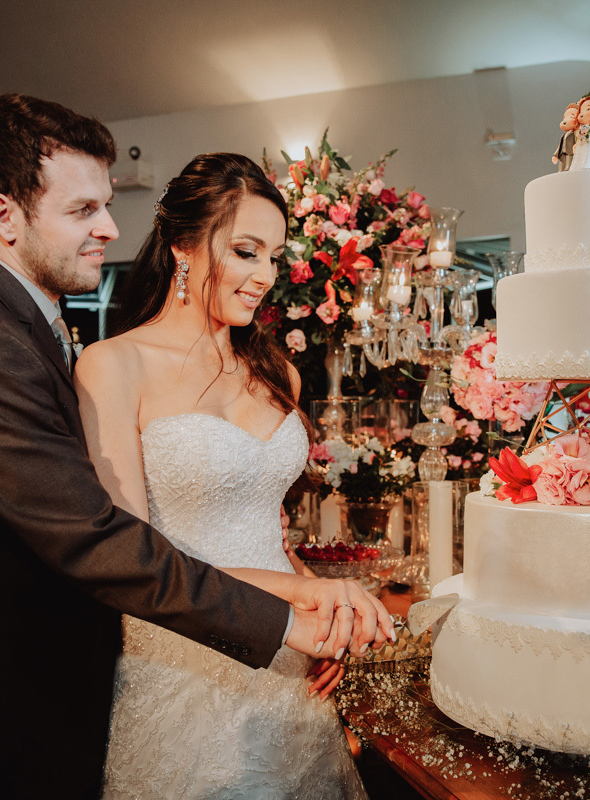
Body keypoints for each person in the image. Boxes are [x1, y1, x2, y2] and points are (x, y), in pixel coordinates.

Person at [0, 94, 393, 800]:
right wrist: (291, 610)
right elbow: (98, 539)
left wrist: (299, 590)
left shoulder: (33, 325)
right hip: (3, 704)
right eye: (83, 210)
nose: (110, 227)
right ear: (5, 215)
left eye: (106, 205)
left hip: (213, 650)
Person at [76, 153, 367, 799]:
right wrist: (301, 601)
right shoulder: (113, 365)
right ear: (182, 245)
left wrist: (320, 615)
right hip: (180, 654)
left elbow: (268, 529)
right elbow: (128, 555)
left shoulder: (277, 372)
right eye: (245, 251)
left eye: (275, 257)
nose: (266, 276)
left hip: (291, 655)